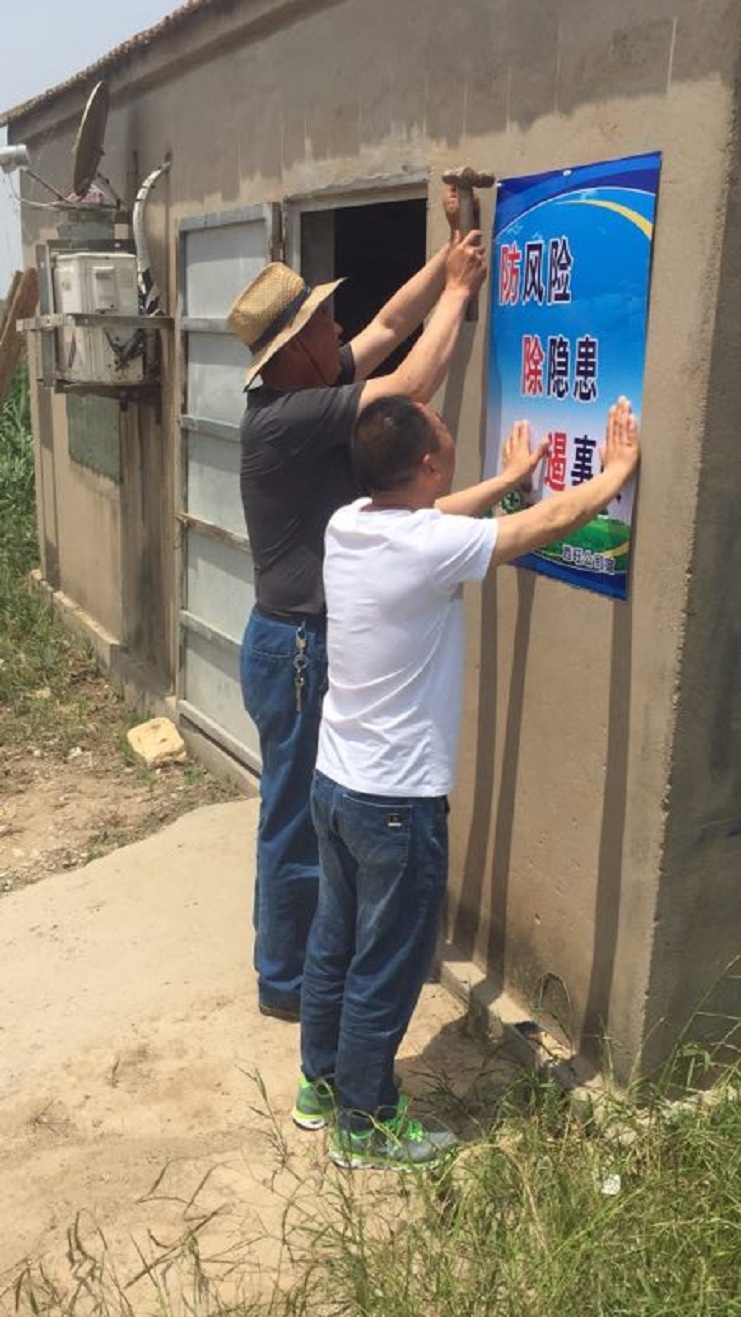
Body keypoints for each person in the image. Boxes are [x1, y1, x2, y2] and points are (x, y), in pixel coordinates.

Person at [292, 395, 640, 1169]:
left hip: (335, 782)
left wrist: (508, 477)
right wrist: (614, 471)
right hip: (394, 803)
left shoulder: (349, 523)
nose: (450, 435)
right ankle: (365, 1125)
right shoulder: (430, 547)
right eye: (444, 433)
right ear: (427, 462)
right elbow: (546, 524)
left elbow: (438, 513)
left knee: (334, 940)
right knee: (385, 964)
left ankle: (320, 1085)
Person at [228, 196, 487, 1022]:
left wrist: (449, 256)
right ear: (295, 348)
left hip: (294, 644)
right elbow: (409, 386)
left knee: (298, 812)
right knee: (294, 822)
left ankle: (296, 969)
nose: (338, 331)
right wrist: (460, 293)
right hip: (297, 650)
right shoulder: (286, 418)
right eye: (322, 324)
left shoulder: (310, 383)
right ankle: (285, 982)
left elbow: (387, 324)